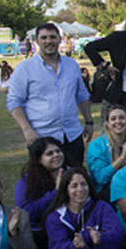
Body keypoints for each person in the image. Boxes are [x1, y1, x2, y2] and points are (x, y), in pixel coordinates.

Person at [8, 23, 93, 166]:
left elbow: (81, 95)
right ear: (37, 41)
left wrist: (89, 122)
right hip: (41, 136)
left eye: (52, 37)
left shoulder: (71, 65)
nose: (48, 41)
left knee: (75, 175)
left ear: (60, 39)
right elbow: (14, 102)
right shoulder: (25, 68)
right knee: (45, 178)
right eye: (44, 38)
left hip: (72, 134)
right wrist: (27, 129)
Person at [14, 136, 65, 249]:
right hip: (41, 233)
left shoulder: (71, 172)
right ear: (39, 159)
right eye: (49, 153)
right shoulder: (28, 181)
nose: (56, 155)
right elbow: (27, 212)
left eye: (58, 151)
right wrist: (56, 192)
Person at [86, 104, 126, 201]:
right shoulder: (96, 145)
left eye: (122, 118)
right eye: (113, 119)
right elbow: (100, 178)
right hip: (105, 192)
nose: (118, 121)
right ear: (107, 123)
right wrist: (122, 157)